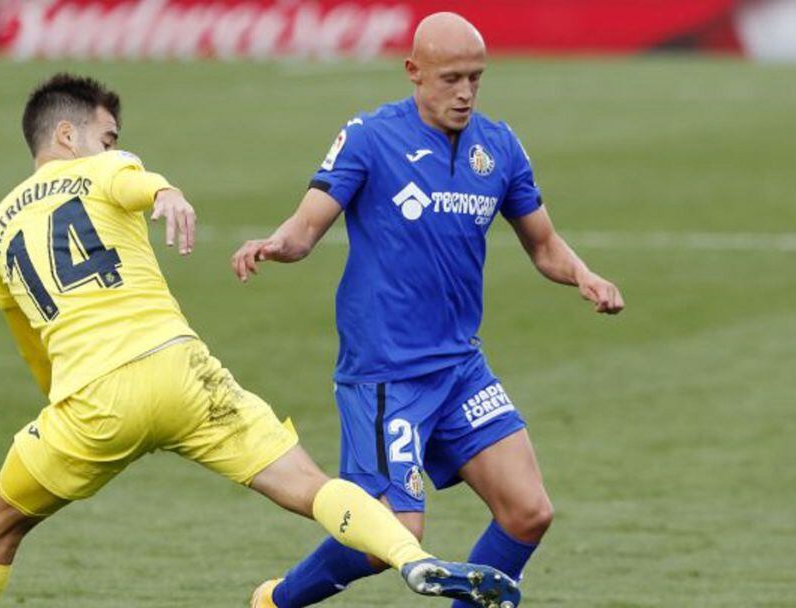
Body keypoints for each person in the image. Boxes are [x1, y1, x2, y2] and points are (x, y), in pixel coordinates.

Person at [0, 73, 519, 608]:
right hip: (184, 374)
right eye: (106, 137)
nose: (112, 148)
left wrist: (64, 403)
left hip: (91, 401)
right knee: (311, 487)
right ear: (65, 135)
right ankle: (410, 557)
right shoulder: (103, 168)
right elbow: (133, 178)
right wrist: (166, 193)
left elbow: (33, 344)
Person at [235, 12, 624, 608]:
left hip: (460, 368)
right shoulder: (370, 137)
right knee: (390, 538)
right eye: (451, 79)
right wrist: (275, 245)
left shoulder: (499, 147)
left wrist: (584, 276)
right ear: (414, 71)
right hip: (386, 374)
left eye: (475, 78)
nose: (465, 93)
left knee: (528, 512)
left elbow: (544, 244)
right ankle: (276, 601)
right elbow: (307, 226)